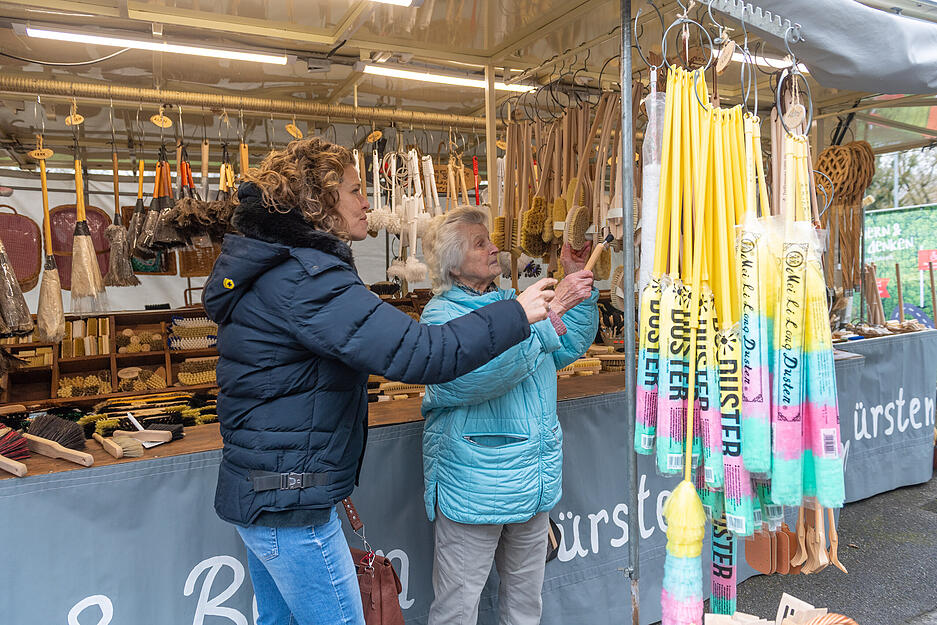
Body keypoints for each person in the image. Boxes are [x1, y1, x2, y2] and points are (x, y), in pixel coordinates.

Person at [202, 137, 558, 625]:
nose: (366, 202)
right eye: (355, 190)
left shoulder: (282, 269)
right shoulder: (307, 279)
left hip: (273, 494)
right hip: (291, 504)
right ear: (319, 199)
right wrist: (515, 313)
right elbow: (420, 352)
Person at [419, 206, 599, 625]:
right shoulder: (440, 316)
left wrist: (575, 288)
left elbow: (567, 345)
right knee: (457, 609)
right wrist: (552, 312)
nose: (494, 247)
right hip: (474, 483)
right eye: (479, 243)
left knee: (524, 605)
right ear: (453, 263)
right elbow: (480, 376)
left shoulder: (511, 302)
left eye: (490, 239)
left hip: (533, 478)